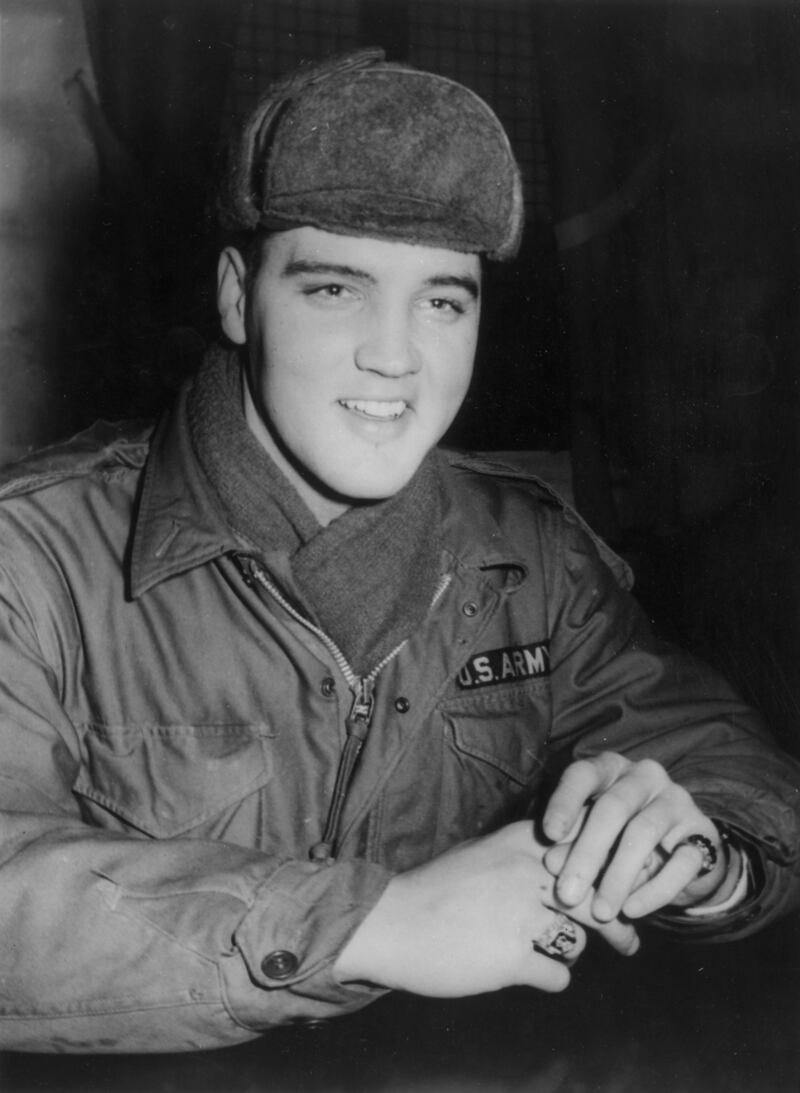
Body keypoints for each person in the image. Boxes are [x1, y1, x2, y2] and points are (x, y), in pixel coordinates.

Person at [0, 48, 797, 1054]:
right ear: (240, 297)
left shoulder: (531, 557)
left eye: (442, 300)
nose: (396, 353)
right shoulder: (32, 560)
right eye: (335, 289)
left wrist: (699, 852)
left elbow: (736, 765)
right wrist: (377, 925)